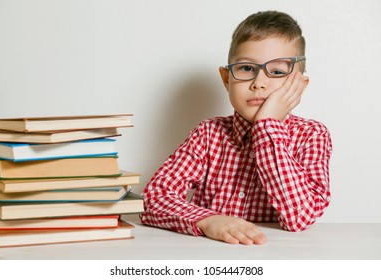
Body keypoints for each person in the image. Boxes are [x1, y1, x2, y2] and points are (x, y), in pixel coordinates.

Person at [140, 10, 332, 245]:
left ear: (300, 85)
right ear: (226, 79)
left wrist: (267, 126)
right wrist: (208, 220)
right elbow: (154, 197)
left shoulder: (312, 135)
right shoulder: (209, 133)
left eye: (278, 71)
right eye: (246, 69)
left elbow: (300, 216)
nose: (259, 83)